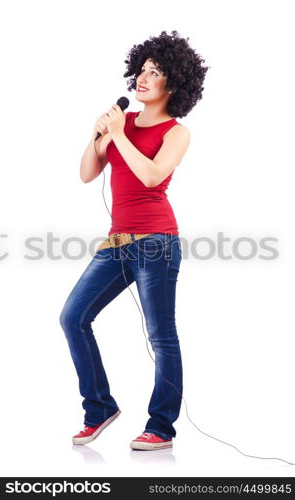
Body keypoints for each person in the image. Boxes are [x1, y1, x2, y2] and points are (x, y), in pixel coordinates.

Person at [59, 30, 209, 451]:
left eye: (155, 72)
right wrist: (96, 134)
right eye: (141, 70)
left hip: (157, 243)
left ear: (173, 84)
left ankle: (160, 427)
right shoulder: (122, 124)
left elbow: (151, 175)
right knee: (73, 317)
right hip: (116, 245)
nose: (142, 79)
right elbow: (88, 173)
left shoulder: (176, 132)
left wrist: (120, 136)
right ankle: (99, 408)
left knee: (161, 335)